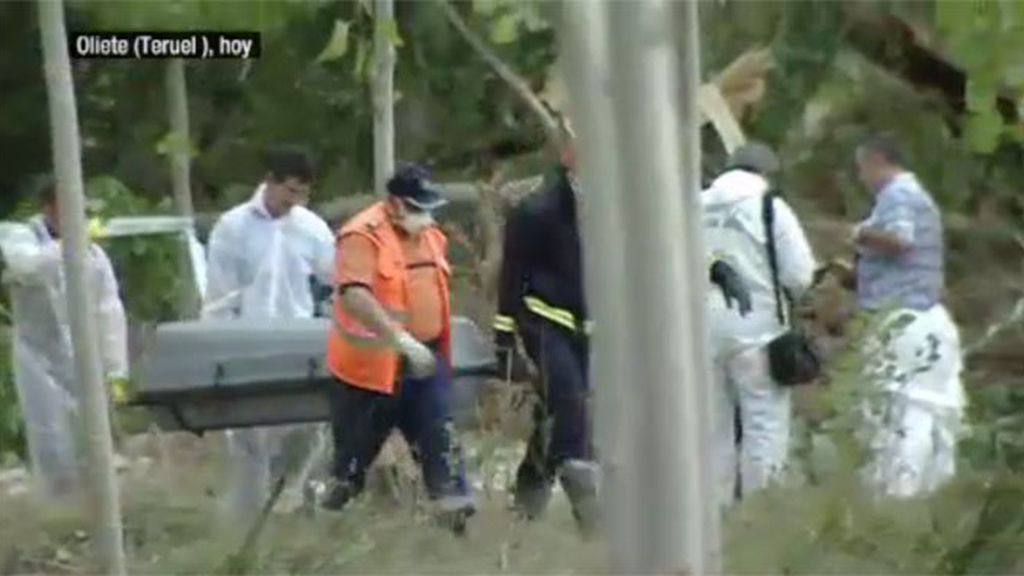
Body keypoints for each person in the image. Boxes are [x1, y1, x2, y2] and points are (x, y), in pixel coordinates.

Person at [493, 127, 756, 533]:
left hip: (594, 327)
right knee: (572, 404)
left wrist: (717, 269)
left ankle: (527, 502)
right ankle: (590, 512)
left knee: (560, 415)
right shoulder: (536, 209)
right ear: (568, 156)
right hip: (544, 321)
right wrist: (504, 338)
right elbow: (512, 277)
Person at [321, 162, 474, 534]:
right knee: (351, 465)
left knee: (441, 446)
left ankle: (456, 538)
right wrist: (399, 339)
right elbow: (355, 295)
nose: (426, 216)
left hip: (426, 362)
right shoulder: (361, 235)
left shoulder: (431, 236)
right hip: (372, 373)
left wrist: (426, 345)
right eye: (418, 207)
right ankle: (325, 532)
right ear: (395, 204)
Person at [203, 145, 335, 517]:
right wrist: (218, 350)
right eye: (291, 191)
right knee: (250, 439)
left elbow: (338, 280)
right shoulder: (233, 228)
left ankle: (298, 507)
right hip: (247, 345)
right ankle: (248, 522)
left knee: (308, 430)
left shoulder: (311, 228)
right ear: (271, 183)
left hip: (298, 345)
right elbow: (219, 297)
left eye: (304, 193)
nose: (297, 200)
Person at [850, 132, 965, 498]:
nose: (861, 177)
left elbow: (901, 239)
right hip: (928, 315)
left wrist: (860, 234)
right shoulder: (919, 197)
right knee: (933, 408)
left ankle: (900, 491)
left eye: (862, 167)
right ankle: (934, 490)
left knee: (903, 408)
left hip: (902, 318)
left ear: (877, 161)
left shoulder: (897, 195)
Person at [0, 175, 128, 499]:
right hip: (37, 359)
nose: (76, 214)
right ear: (49, 207)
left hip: (83, 361)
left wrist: (116, 371)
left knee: (92, 442)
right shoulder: (20, 235)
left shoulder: (93, 254)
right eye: (67, 206)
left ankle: (94, 512)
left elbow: (108, 310)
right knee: (51, 442)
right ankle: (57, 512)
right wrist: (70, 244)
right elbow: (26, 266)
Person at [702, 142, 816, 504]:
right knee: (763, 427)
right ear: (764, 173)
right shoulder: (770, 207)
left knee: (713, 429)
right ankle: (760, 511)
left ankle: (713, 516)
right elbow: (799, 274)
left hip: (701, 331)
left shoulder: (695, 204)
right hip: (758, 332)